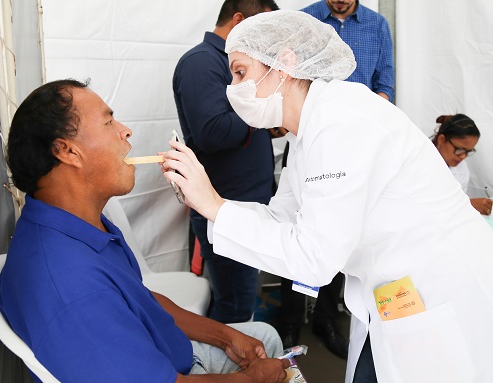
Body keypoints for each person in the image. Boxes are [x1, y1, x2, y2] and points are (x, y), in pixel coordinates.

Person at [161, 10, 493, 383]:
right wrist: (207, 201)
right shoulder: (306, 131)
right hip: (393, 292)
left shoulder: (341, 122)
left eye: (240, 73)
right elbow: (281, 218)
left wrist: (215, 206)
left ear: (283, 64)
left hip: (437, 286)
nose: (232, 89)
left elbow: (314, 259)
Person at [0, 79, 290, 383]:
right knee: (271, 360)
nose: (125, 130)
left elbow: (140, 299)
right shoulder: (70, 288)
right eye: (109, 121)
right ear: (67, 151)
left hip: (168, 352)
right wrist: (255, 380)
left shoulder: (77, 225)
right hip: (175, 372)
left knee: (264, 339)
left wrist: (226, 337)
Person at [276, 0, 397, 357]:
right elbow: (283, 76)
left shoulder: (377, 26)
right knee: (295, 227)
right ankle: (289, 320)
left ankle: (326, 318)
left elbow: (385, 83)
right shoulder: (305, 19)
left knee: (341, 234)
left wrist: (367, 120)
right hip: (306, 140)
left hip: (353, 146)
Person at [172, 0, 281, 324]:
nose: (267, 42)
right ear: (237, 21)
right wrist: (260, 107)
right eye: (262, 30)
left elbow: (237, 126)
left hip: (245, 204)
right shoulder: (200, 63)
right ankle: (227, 370)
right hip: (226, 207)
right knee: (234, 304)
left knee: (239, 299)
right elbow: (212, 132)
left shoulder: (230, 60)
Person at [432, 113, 492, 215]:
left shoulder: (462, 170)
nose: (463, 156)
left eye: (468, 151)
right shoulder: (417, 160)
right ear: (441, 139)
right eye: (459, 149)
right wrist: (467, 205)